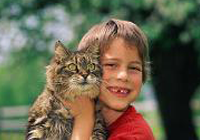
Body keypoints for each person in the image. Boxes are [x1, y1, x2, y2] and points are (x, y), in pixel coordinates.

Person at [67, 19, 155, 140]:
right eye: (111, 65)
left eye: (134, 68)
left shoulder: (134, 135)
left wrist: (83, 120)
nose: (123, 76)